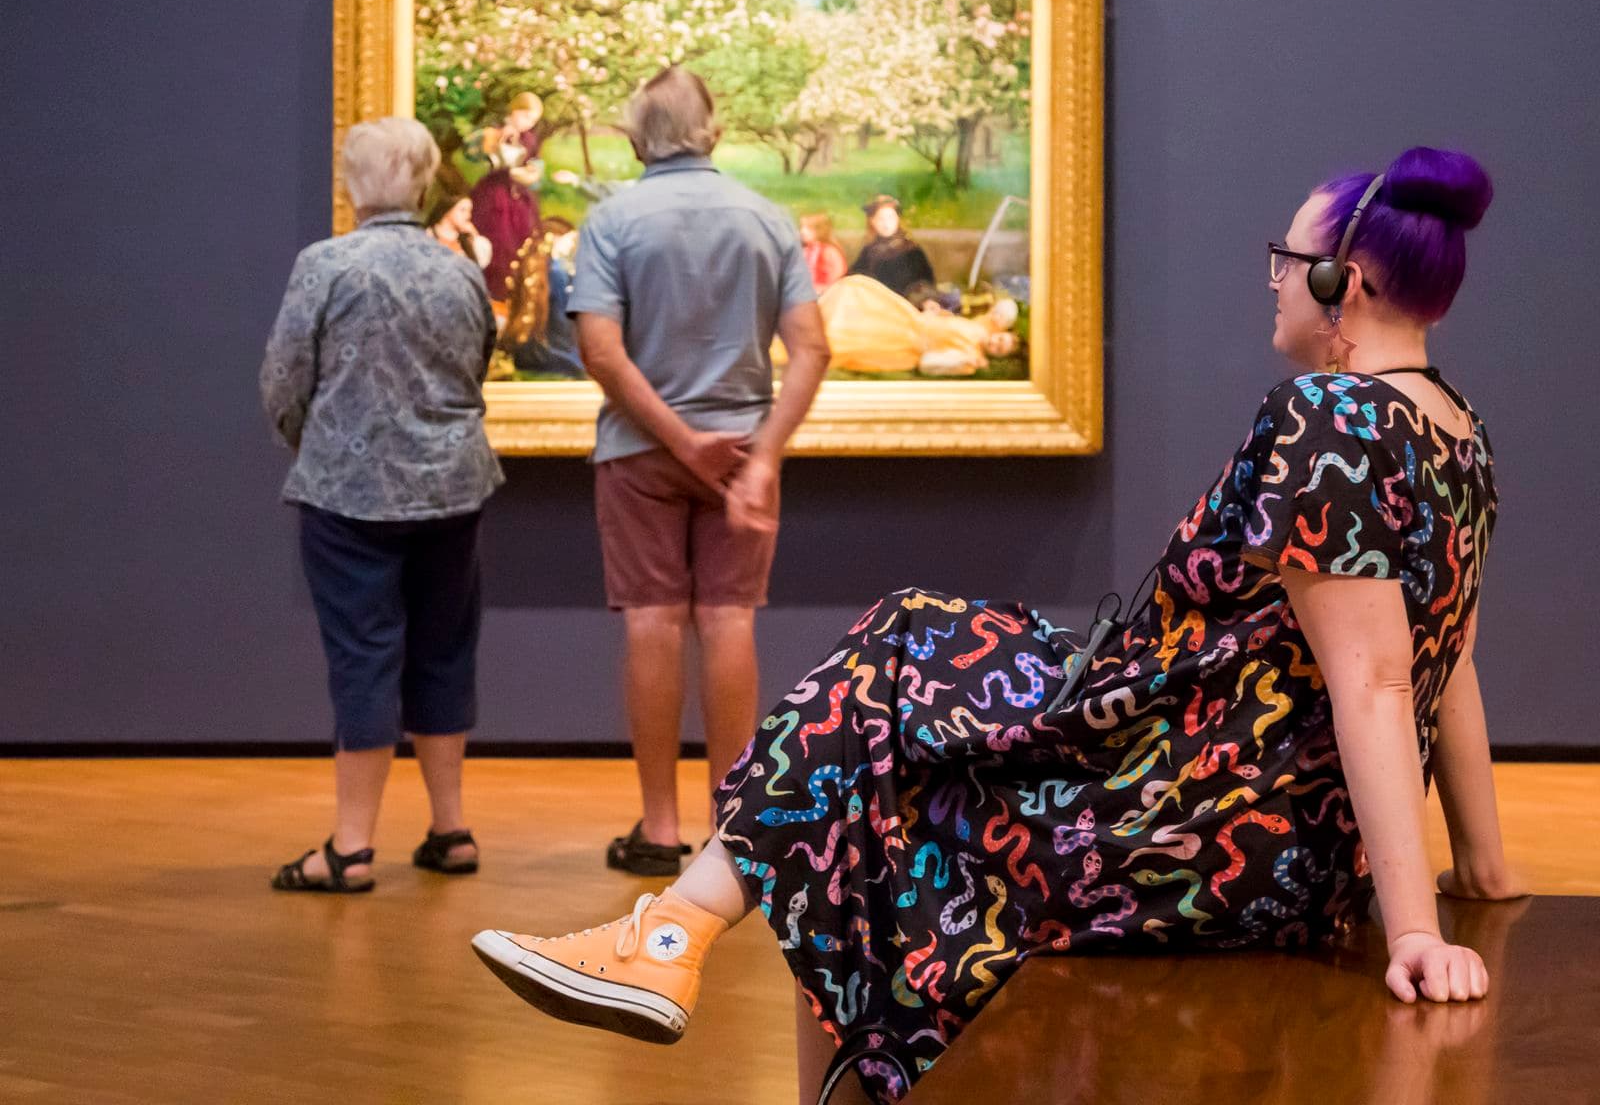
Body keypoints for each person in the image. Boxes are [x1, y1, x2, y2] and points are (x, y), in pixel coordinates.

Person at [473, 147, 1527, 1102]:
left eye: (1285, 256)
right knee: (898, 669)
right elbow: (1453, 661)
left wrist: (1418, 931)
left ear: (1350, 280)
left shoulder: (1326, 419)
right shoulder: (1453, 427)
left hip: (1197, 825)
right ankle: (671, 934)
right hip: (1243, 816)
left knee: (873, 735)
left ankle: (670, 932)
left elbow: (1382, 682)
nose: (1271, 276)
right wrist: (1479, 865)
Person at [562, 65, 831, 877]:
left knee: (651, 620)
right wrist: (762, 459)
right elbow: (813, 348)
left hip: (642, 449)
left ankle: (658, 827)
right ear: (711, 131)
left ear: (636, 136)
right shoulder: (766, 217)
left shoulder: (612, 219)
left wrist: (678, 439)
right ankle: (732, 831)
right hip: (743, 451)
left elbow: (599, 351)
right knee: (728, 619)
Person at [260, 117, 502, 893]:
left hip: (348, 498)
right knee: (444, 649)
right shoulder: (459, 270)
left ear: (351, 183)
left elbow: (283, 381)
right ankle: (451, 829)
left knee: (364, 656)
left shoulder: (325, 265)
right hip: (452, 492)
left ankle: (352, 848)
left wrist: (318, 442)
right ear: (427, 181)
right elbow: (477, 368)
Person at [817, 273, 1019, 376]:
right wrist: (936, 312)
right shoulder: (982, 328)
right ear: (1000, 331)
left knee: (854, 336)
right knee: (857, 287)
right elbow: (1005, 308)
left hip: (908, 342)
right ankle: (817, 313)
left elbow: (928, 363)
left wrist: (962, 362)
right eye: (1001, 339)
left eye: (999, 349)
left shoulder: (971, 357)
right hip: (913, 318)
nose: (996, 343)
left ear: (997, 357)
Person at [466, 91, 548, 301]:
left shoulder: (528, 138)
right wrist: (507, 170)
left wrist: (532, 172)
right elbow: (479, 158)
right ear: (514, 111)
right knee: (499, 242)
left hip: (518, 197)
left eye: (533, 120)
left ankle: (515, 294)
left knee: (523, 242)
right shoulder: (494, 133)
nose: (529, 124)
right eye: (526, 117)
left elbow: (534, 161)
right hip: (495, 196)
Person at [500, 221, 585, 378]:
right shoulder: (559, 273)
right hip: (561, 364)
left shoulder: (531, 271)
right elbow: (564, 330)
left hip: (529, 358)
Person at [849, 195, 936, 303]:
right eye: (880, 219)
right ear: (872, 221)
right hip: (875, 305)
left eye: (891, 218)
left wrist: (924, 300)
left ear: (898, 219)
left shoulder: (911, 250)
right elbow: (855, 277)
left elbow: (924, 282)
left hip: (905, 306)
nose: (886, 224)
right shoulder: (869, 251)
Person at [425, 188, 493, 269]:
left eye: (469, 211)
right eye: (462, 210)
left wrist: (474, 234)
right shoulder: (428, 235)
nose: (468, 216)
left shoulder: (468, 243)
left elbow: (479, 265)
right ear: (448, 210)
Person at [799, 212, 848, 292]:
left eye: (808, 228)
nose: (802, 231)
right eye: (802, 227)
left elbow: (839, 272)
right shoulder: (806, 250)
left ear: (820, 230)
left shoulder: (830, 251)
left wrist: (827, 287)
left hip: (827, 291)